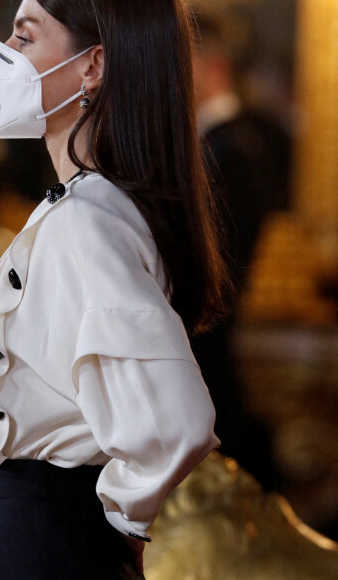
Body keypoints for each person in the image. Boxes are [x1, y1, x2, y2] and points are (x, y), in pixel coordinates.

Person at [0, 0, 229, 578]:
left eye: (24, 36)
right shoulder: (86, 208)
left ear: (92, 66)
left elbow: (179, 423)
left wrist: (119, 521)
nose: (5, 55)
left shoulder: (88, 220)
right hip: (22, 537)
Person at [188, 10, 291, 492]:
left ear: (211, 66)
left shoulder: (232, 152)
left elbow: (216, 270)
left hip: (208, 353)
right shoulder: (215, 147)